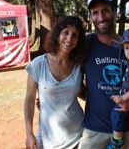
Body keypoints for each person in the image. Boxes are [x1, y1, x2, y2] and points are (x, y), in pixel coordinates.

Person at [78, 0, 129, 149]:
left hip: (126, 130)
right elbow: (72, 78)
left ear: (114, 12)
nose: (101, 17)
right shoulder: (86, 44)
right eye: (95, 13)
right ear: (91, 17)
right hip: (93, 130)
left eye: (105, 10)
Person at [24, 16, 87, 149]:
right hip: (48, 136)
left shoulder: (78, 66)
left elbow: (82, 93)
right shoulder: (39, 64)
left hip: (78, 135)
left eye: (75, 35)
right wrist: (29, 133)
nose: (69, 39)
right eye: (65, 32)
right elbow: (29, 100)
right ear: (57, 34)